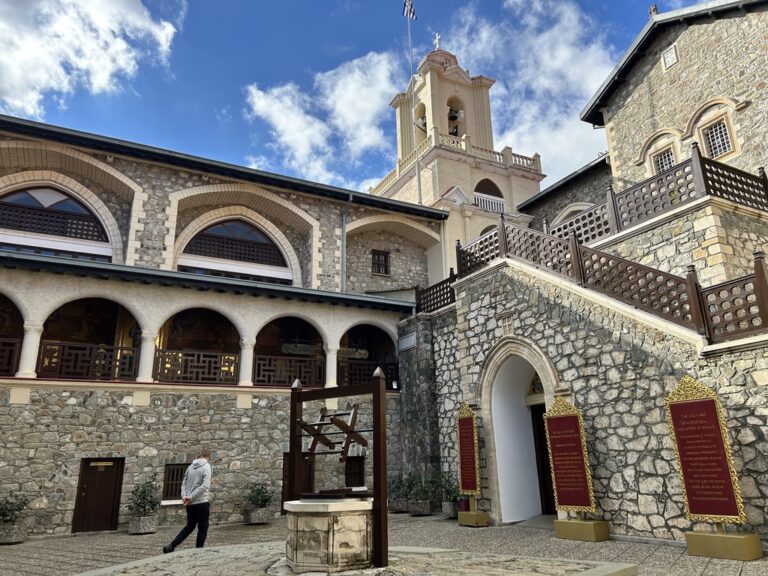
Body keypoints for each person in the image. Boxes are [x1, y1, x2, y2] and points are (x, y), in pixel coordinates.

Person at [163, 448, 212, 553]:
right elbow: (205, 486)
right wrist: (191, 497)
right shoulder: (206, 467)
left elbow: (183, 482)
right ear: (209, 456)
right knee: (203, 527)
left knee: (190, 526)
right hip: (201, 502)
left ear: (200, 455)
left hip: (190, 503)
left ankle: (171, 546)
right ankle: (198, 551)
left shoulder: (190, 467)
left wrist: (185, 496)